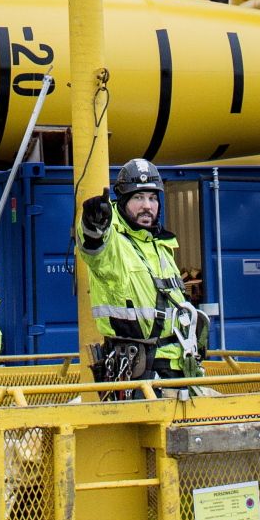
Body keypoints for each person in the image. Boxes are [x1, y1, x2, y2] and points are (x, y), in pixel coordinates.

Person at [76, 158, 210, 385]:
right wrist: (93, 224)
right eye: (138, 197)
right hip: (139, 373)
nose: (147, 205)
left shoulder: (161, 245)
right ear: (123, 202)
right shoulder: (114, 242)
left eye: (152, 198)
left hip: (179, 367)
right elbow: (93, 246)